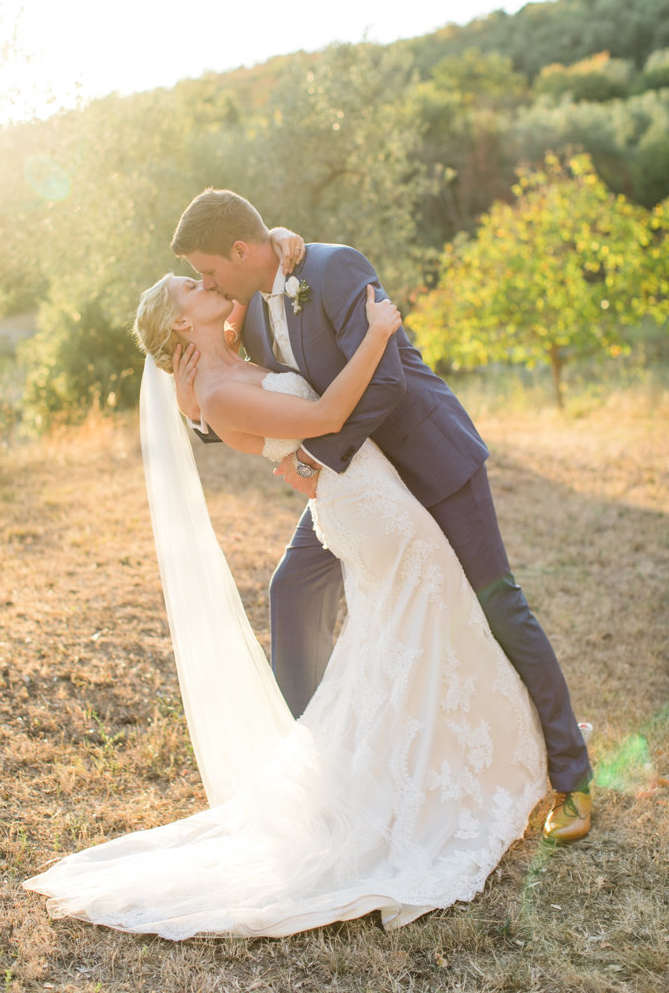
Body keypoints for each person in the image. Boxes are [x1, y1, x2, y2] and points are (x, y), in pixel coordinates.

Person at [23, 269, 547, 938]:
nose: (205, 279)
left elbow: (275, 375)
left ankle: (427, 772)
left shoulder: (228, 360)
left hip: (359, 492)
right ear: (183, 321)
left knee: (401, 633)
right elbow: (324, 418)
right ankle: (431, 783)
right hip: (365, 504)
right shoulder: (214, 392)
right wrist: (379, 332)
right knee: (426, 613)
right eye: (191, 285)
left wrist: (285, 253)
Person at [170, 188, 592, 845]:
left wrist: (314, 455)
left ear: (242, 249)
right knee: (293, 587)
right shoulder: (247, 312)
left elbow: (388, 380)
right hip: (357, 486)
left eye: (209, 270)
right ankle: (308, 767)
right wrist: (194, 410)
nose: (206, 283)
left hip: (425, 458)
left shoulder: (336, 269)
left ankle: (571, 776)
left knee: (497, 603)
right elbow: (247, 399)